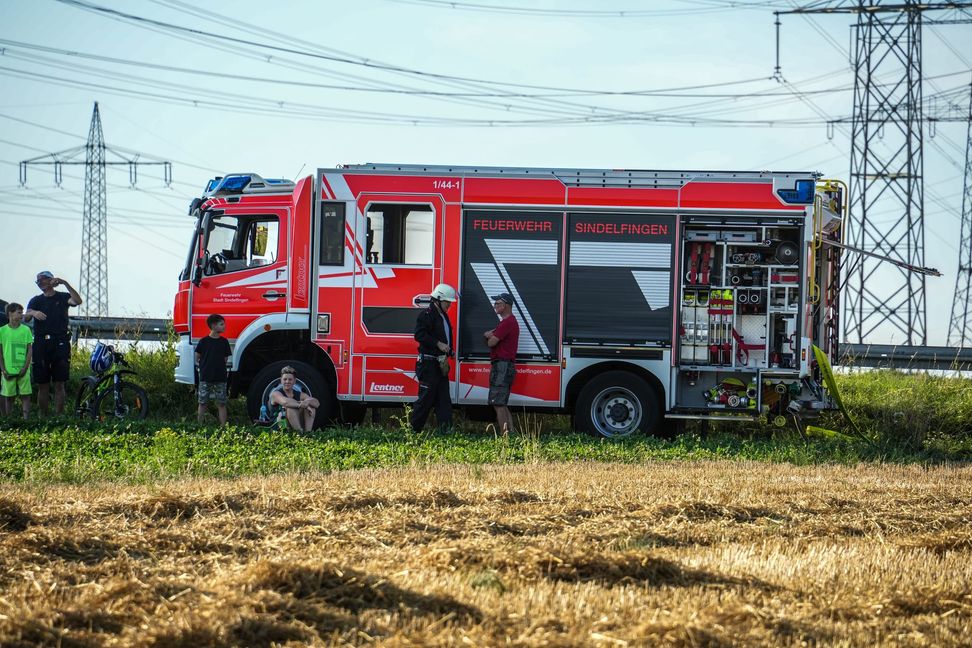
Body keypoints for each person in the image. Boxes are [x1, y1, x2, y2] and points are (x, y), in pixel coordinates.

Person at [24, 271, 82, 416]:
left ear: (51, 280)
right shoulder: (35, 300)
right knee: (42, 384)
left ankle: (59, 417)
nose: (40, 283)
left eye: (42, 280)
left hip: (60, 343)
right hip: (41, 344)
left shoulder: (62, 297)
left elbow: (77, 301)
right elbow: (26, 317)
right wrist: (33, 313)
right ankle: (42, 416)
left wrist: (65, 283)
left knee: (59, 383)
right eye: (38, 281)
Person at [410, 283, 457, 433]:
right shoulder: (426, 315)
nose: (449, 305)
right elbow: (419, 335)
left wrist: (450, 351)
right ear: (437, 299)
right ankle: (414, 431)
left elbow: (445, 336)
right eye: (447, 302)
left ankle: (446, 431)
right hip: (428, 364)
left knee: (444, 400)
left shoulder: (443, 316)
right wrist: (438, 344)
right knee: (425, 399)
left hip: (440, 364)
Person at [483, 292, 519, 434]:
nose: (495, 306)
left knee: (498, 403)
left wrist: (488, 335)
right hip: (505, 365)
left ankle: (505, 435)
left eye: (497, 303)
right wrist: (492, 334)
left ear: (505, 305)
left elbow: (492, 342)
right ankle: (511, 433)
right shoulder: (508, 322)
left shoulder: (507, 323)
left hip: (502, 366)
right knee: (501, 402)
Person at [195, 313, 232, 425]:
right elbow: (197, 357)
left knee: (221, 403)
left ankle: (223, 427)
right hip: (205, 377)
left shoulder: (224, 342)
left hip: (220, 377)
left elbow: (225, 359)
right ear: (214, 326)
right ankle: (199, 425)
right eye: (221, 324)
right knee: (202, 402)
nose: (224, 326)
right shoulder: (203, 341)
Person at [0, 303, 33, 419]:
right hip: (8, 369)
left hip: (23, 369)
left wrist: (25, 367)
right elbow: (0, 352)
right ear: (10, 313)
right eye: (19, 312)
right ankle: (8, 419)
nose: (21, 315)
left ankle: (26, 420)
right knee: (9, 396)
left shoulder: (26, 330)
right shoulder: (2, 331)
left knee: (26, 395)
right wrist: (3, 369)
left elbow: (29, 350)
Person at [268, 365, 320, 432]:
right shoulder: (275, 394)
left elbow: (317, 403)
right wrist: (302, 405)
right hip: (279, 426)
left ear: (294, 381)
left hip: (294, 423)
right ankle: (299, 434)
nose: (287, 382)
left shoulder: (299, 394)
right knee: (290, 408)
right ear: (281, 380)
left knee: (311, 406)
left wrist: (307, 402)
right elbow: (286, 402)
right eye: (285, 379)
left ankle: (308, 433)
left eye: (290, 379)